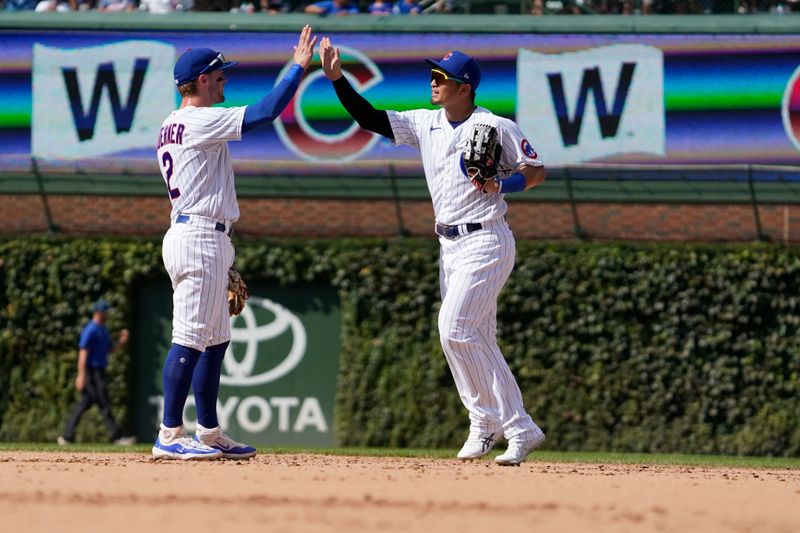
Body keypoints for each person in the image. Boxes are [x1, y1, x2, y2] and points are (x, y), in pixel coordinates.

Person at [320, 39, 547, 466]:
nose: (434, 82)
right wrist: (336, 78)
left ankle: (518, 426)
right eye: (434, 75)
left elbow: (536, 172)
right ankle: (485, 423)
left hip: (486, 238)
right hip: (449, 246)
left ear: (465, 87)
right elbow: (370, 118)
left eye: (442, 77)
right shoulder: (425, 123)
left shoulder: (495, 126)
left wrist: (503, 184)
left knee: (454, 329)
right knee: (476, 337)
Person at [153, 26, 317, 460]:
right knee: (189, 337)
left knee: (216, 338)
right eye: (220, 75)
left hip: (204, 234)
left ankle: (208, 431)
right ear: (202, 80)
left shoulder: (171, 123)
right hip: (199, 234)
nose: (225, 80)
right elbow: (266, 112)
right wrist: (299, 66)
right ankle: (169, 433)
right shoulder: (198, 118)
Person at [58, 300, 135, 446]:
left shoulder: (103, 329)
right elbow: (83, 353)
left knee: (86, 403)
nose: (108, 314)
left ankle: (67, 436)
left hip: (100, 371)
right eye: (106, 311)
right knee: (104, 402)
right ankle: (117, 437)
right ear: (99, 312)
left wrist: (121, 342)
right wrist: (81, 376)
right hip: (91, 372)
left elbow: (109, 349)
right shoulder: (90, 330)